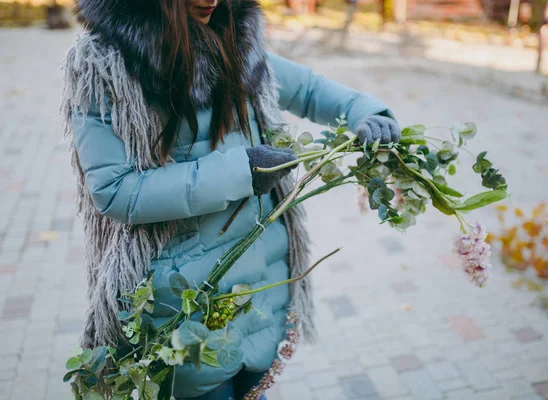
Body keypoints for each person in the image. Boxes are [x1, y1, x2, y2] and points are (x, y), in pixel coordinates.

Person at [60, 0, 400, 398]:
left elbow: (307, 88)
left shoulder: (235, 33)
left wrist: (366, 111)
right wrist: (240, 172)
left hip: (259, 277)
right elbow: (116, 191)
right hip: (184, 295)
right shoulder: (106, 65)